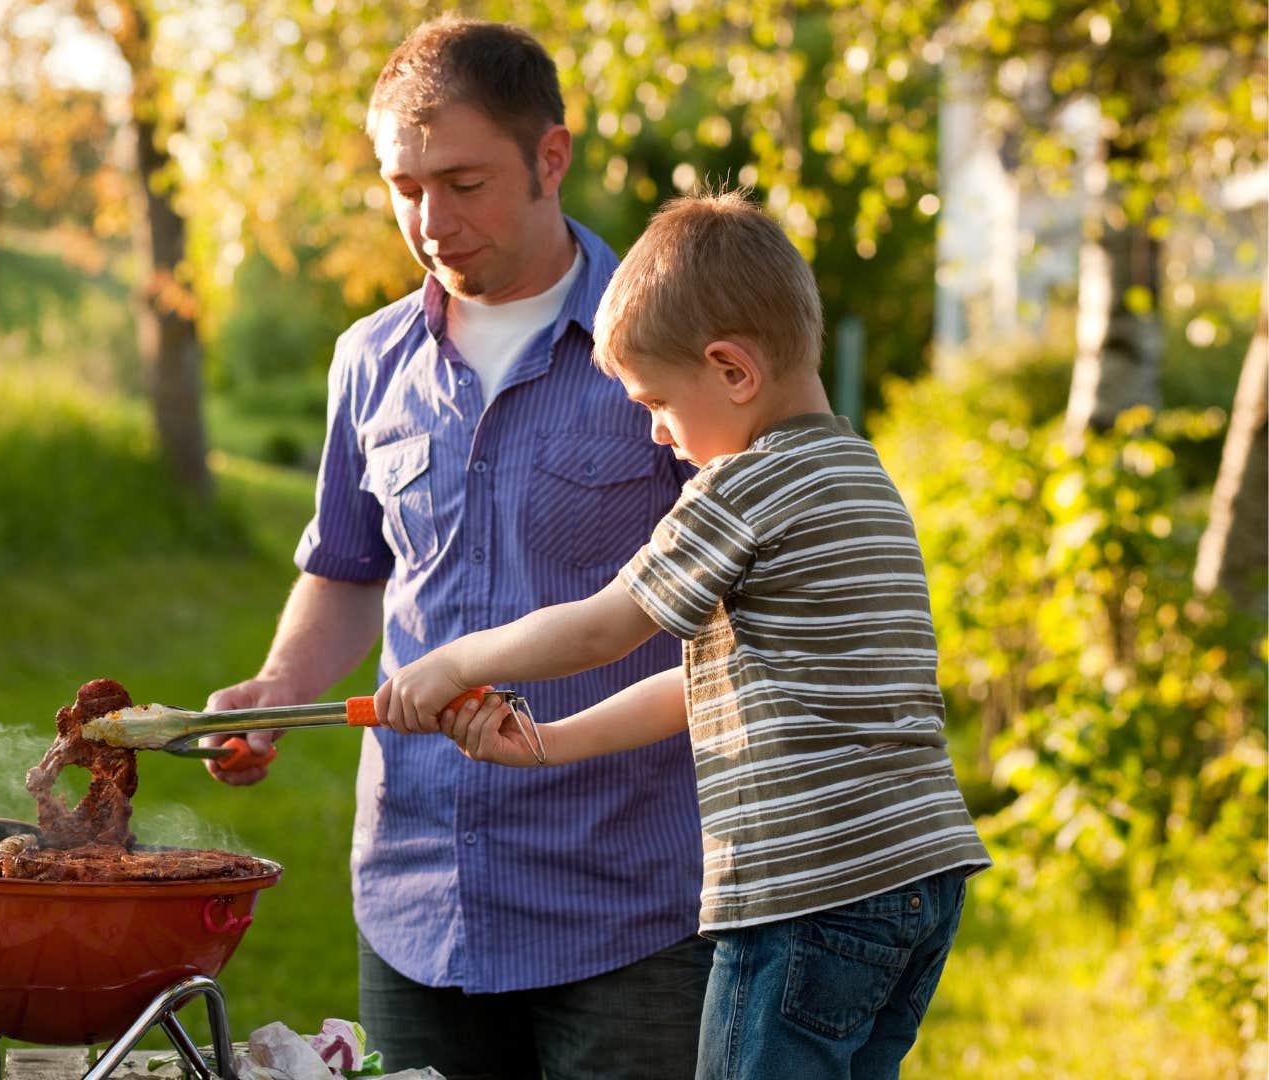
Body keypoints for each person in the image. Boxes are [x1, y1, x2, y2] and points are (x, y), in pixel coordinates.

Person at [375, 190, 994, 1079]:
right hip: (912, 882)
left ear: (733, 372)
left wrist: (455, 660)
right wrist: (552, 743)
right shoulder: (857, 472)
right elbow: (701, 682)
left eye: (658, 403)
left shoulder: (742, 487)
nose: (658, 431)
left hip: (805, 893)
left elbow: (605, 628)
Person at [201, 15, 712, 1079]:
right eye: (405, 186)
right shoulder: (368, 360)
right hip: (419, 902)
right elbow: (349, 568)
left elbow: (753, 595)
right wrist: (278, 687)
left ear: (551, 158)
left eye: (465, 182)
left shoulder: (673, 349)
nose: (431, 219)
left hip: (629, 907)